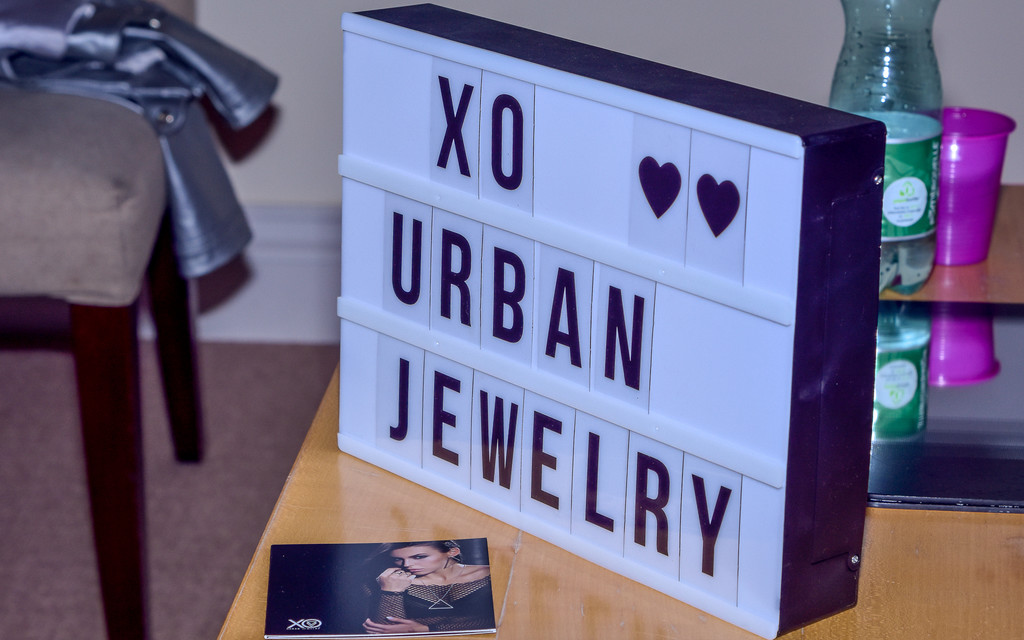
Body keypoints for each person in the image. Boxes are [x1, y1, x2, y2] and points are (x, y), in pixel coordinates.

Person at [361, 540, 494, 635]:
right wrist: (391, 592)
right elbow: (385, 632)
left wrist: (427, 628)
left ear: (452, 552)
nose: (406, 564)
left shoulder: (491, 573)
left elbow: (497, 621)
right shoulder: (387, 581)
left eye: (419, 557)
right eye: (398, 559)